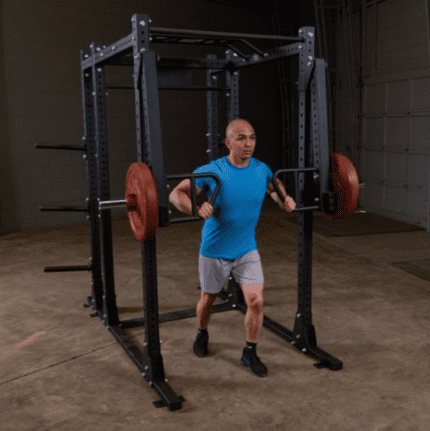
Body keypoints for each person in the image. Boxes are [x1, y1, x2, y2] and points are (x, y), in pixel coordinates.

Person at [169, 119, 296, 377]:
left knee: (256, 301)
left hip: (247, 249)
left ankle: (250, 352)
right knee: (208, 299)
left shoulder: (261, 169)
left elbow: (275, 186)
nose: (248, 143)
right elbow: (177, 193)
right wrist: (195, 207)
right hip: (214, 250)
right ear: (228, 143)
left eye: (252, 137)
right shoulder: (213, 170)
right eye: (240, 138)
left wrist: (284, 198)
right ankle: (202, 333)